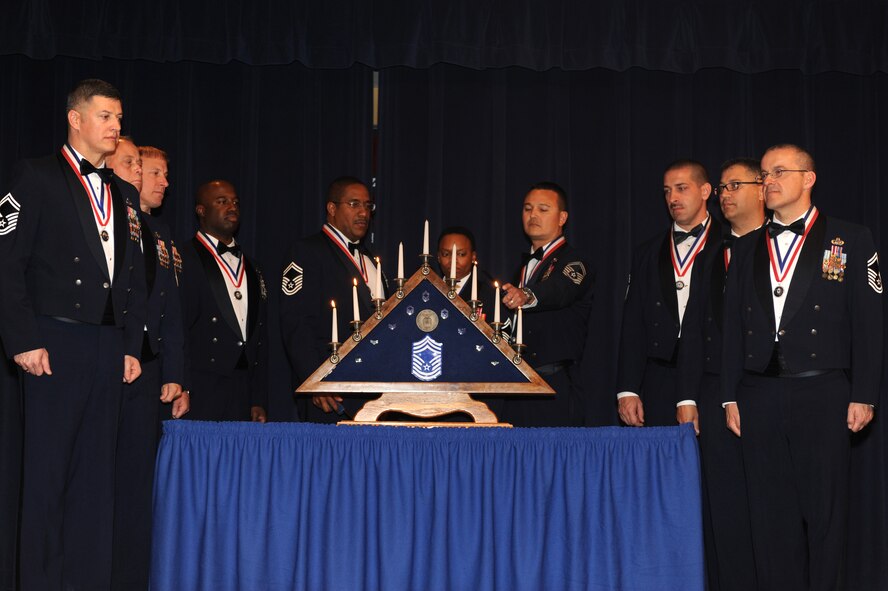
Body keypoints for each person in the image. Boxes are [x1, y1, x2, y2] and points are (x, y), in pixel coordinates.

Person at [0, 78, 146, 590]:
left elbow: (132, 279)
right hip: (52, 343)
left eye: (120, 118)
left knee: (94, 480)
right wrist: (21, 338)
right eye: (106, 116)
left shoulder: (125, 194)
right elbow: (7, 263)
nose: (115, 126)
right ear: (76, 119)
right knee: (47, 477)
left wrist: (131, 346)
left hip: (108, 346)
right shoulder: (34, 177)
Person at [722, 144, 883, 590]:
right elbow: (734, 326)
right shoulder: (746, 246)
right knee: (769, 518)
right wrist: (730, 394)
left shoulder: (851, 238)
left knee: (826, 516)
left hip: (823, 391)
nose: (768, 181)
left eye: (779, 172)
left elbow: (869, 324)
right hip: (759, 393)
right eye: (765, 174)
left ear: (808, 178)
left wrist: (864, 393)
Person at [106, 141, 188, 590]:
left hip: (148, 370)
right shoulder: (108, 224)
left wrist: (175, 370)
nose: (144, 176)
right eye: (133, 166)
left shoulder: (157, 234)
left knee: (138, 484)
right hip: (107, 365)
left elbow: (168, 308)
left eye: (146, 168)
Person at [679, 157, 764, 591]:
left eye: (736, 185)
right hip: (715, 393)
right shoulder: (711, 253)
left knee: (772, 511)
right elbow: (693, 327)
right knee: (725, 509)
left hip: (771, 392)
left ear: (763, 190)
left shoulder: (787, 248)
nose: (726, 194)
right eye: (724, 187)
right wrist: (687, 397)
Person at [616, 159, 722, 428]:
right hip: (660, 377)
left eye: (681, 188)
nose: (672, 198)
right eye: (667, 191)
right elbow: (633, 323)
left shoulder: (732, 243)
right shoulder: (647, 252)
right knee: (661, 465)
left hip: (714, 377)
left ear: (706, 191)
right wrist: (628, 389)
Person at [281, 176, 384, 422]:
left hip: (372, 395)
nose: (363, 213)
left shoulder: (371, 260)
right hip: (330, 395)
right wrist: (315, 379)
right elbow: (296, 322)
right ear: (332, 208)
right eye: (354, 204)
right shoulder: (307, 252)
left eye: (367, 206)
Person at [500, 182, 592, 427]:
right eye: (528, 209)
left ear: (562, 217)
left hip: (554, 387)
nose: (533, 215)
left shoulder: (575, 261)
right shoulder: (522, 266)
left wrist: (526, 295)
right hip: (518, 384)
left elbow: (559, 291)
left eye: (543, 209)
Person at [179, 180, 268, 422]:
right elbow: (177, 331)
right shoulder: (183, 257)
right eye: (221, 202)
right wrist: (182, 385)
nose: (232, 207)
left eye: (235, 202)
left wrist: (257, 398)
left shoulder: (254, 267)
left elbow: (261, 338)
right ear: (201, 210)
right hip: (200, 386)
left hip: (243, 389)